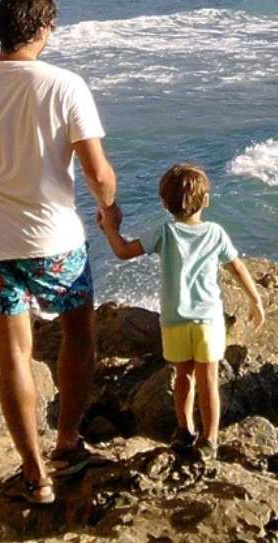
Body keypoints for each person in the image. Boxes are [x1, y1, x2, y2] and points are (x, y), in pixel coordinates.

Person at [0, 0, 120, 505]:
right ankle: (67, 442)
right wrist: (109, 211)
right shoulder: (66, 86)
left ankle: (35, 474)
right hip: (57, 240)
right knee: (78, 334)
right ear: (44, 29)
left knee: (12, 353)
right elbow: (98, 173)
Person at [97, 164, 264, 459]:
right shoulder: (215, 233)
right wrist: (255, 299)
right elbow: (236, 267)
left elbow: (123, 251)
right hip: (209, 320)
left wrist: (110, 228)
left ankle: (184, 431)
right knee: (208, 380)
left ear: (164, 203)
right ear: (206, 201)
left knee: (183, 377)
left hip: (174, 320)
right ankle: (209, 439)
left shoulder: (165, 232)